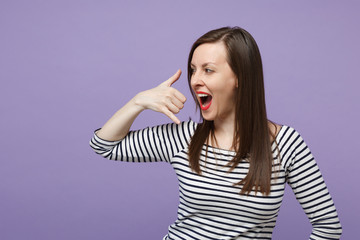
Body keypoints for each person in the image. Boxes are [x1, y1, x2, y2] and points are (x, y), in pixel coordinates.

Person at [90, 27, 342, 239]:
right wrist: (138, 102)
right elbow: (104, 145)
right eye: (193, 69)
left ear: (240, 77)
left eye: (208, 70)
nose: (194, 80)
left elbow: (328, 227)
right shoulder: (183, 136)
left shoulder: (286, 144)